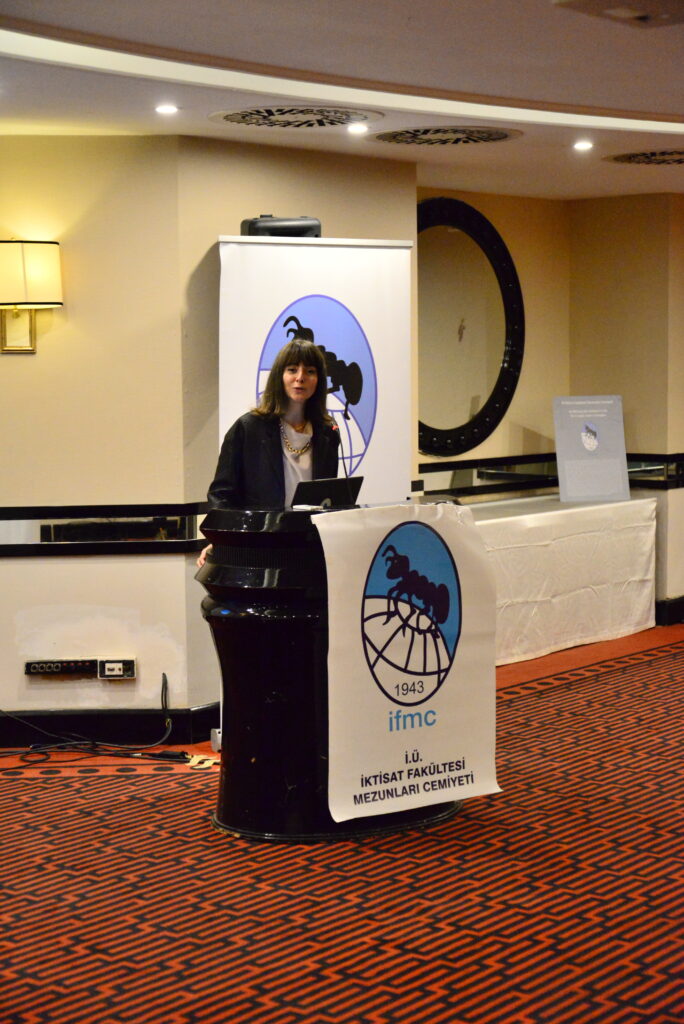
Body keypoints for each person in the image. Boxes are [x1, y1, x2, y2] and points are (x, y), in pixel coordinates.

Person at [197, 338, 339, 567]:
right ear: (279, 376)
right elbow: (221, 495)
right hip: (259, 549)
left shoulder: (327, 432)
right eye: (292, 369)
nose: (300, 377)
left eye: (310, 371)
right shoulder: (248, 428)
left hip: (309, 549)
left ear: (319, 380)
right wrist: (223, 541)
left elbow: (329, 497)